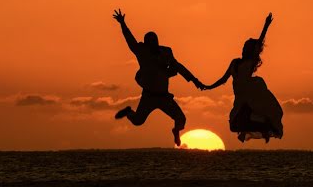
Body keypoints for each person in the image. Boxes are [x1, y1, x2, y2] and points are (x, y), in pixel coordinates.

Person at [111, 9, 204, 146]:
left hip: (164, 97)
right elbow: (130, 40)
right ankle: (128, 112)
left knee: (181, 119)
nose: (153, 44)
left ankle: (176, 132)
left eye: (154, 41)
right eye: (150, 42)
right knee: (137, 121)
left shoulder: (165, 52)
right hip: (148, 96)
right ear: (147, 43)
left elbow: (178, 66)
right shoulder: (142, 52)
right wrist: (123, 24)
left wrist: (194, 80)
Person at [203, 13, 283, 143]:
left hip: (250, 96)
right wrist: (208, 86)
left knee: (242, 120)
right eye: (243, 47)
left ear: (250, 51)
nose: (243, 49)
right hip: (240, 97)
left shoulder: (250, 62)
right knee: (234, 125)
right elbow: (223, 79)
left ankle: (265, 127)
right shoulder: (234, 62)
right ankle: (263, 127)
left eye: (246, 48)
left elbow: (259, 43)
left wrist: (266, 25)